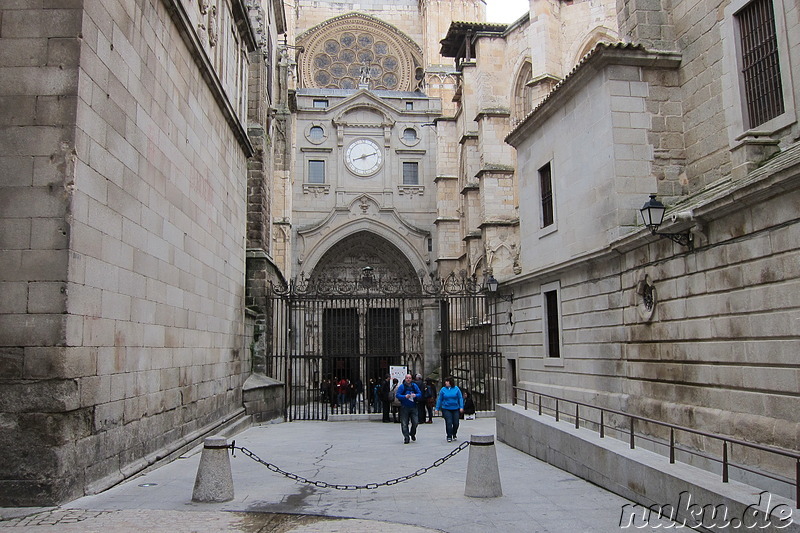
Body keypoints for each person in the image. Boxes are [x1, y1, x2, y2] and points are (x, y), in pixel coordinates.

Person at [435, 376, 464, 442]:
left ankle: (454, 433)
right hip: (446, 408)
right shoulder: (443, 389)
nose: (446, 383)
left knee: (456, 422)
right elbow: (440, 399)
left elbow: (460, 398)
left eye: (447, 381)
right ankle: (449, 435)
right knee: (449, 422)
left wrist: (461, 407)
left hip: (455, 408)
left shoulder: (456, 389)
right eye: (446, 381)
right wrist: (437, 408)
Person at [396, 373, 422, 444]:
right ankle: (406, 437)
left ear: (411, 379)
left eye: (409, 378)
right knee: (404, 423)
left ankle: (412, 433)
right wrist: (404, 396)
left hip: (414, 406)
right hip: (405, 406)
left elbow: (420, 394)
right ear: (405, 379)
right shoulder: (402, 386)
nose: (408, 379)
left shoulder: (414, 386)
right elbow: (397, 395)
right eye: (407, 378)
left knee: (415, 422)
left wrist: (415, 395)